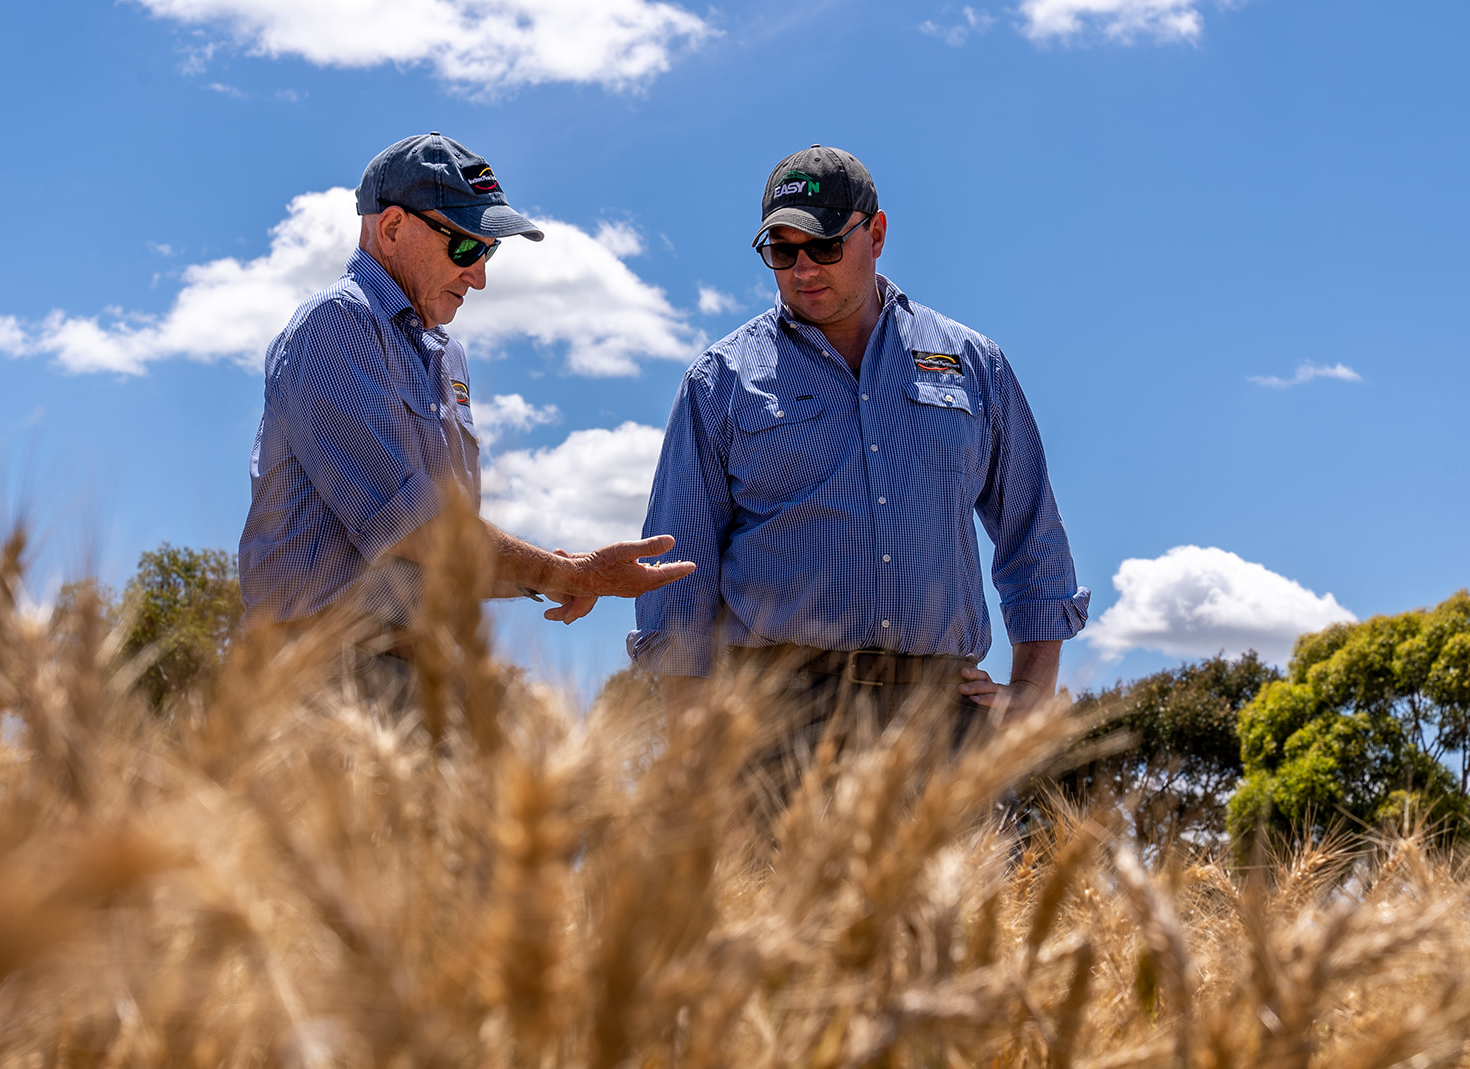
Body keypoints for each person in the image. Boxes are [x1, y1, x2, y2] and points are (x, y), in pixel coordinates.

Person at [629, 144, 1089, 756]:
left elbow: (1032, 530)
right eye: (781, 251)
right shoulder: (720, 380)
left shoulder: (973, 364)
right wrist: (692, 742)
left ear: (875, 235)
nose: (802, 269)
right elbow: (676, 567)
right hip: (774, 722)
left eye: (823, 246)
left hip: (941, 718)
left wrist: (1033, 688)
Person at [239, 132, 693, 666]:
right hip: (321, 665)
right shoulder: (334, 326)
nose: (478, 277)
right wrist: (571, 574)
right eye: (465, 247)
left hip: (420, 665)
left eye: (489, 250)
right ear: (391, 228)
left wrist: (551, 575)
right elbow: (412, 527)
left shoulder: (446, 356)